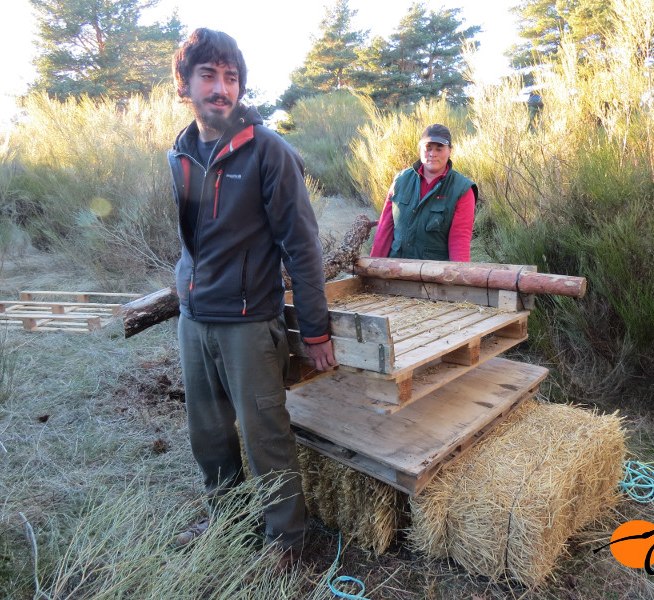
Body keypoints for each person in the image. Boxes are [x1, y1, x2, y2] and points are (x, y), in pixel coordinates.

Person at [167, 28, 336, 567]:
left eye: (231, 77)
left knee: (266, 437)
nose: (221, 88)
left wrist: (314, 329)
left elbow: (301, 245)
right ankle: (229, 522)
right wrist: (184, 289)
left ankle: (286, 541)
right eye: (209, 75)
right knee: (208, 434)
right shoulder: (182, 151)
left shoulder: (269, 151)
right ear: (184, 85)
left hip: (248, 323)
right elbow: (196, 238)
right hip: (195, 319)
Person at [370, 124, 478, 262]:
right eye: (428, 148)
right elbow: (385, 229)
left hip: (434, 275)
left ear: (450, 151)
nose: (433, 154)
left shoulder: (462, 189)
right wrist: (374, 267)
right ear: (420, 149)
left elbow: (459, 240)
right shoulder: (401, 181)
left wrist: (458, 277)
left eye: (439, 149)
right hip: (394, 270)